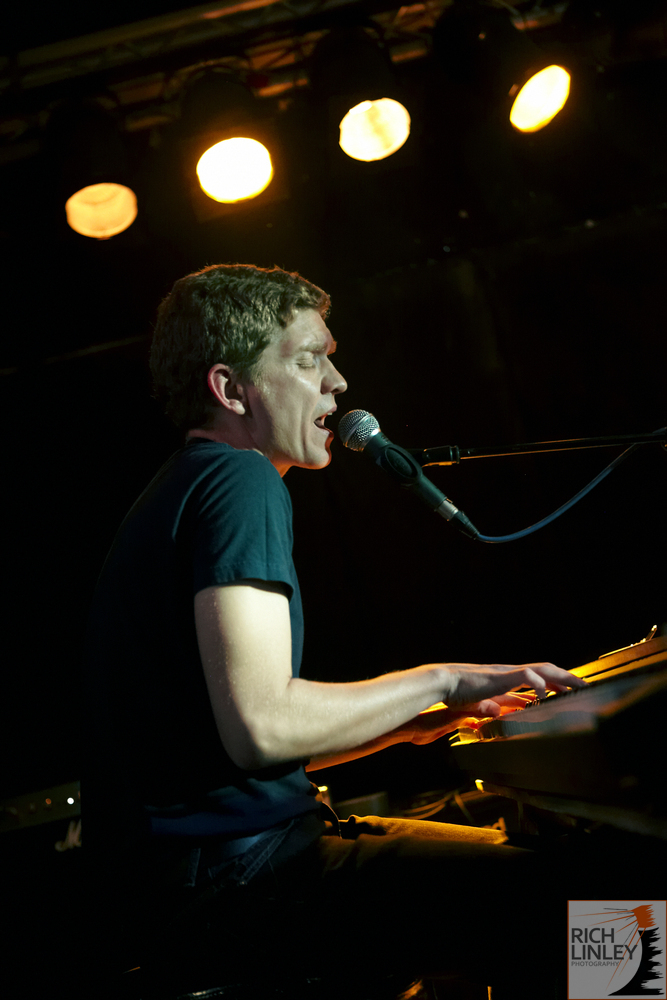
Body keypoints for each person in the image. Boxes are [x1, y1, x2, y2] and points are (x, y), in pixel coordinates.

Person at [82, 263, 586, 1000]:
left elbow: (230, 749)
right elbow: (262, 728)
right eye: (308, 360)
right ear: (230, 389)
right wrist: (444, 679)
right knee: (592, 912)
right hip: (245, 884)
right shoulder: (238, 480)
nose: (337, 383)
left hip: (199, 885)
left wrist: (412, 721)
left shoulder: (183, 489)